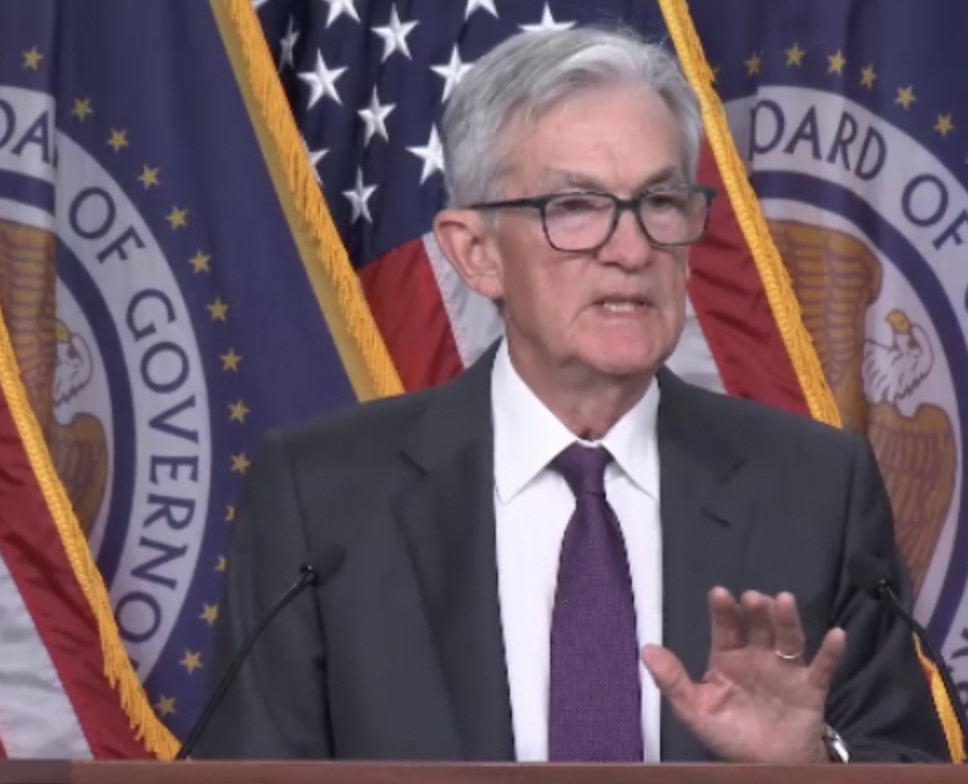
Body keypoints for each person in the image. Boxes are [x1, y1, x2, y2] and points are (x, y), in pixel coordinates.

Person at [192, 25, 951, 764]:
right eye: (575, 207)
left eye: (661, 201)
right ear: (476, 254)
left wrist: (813, 764)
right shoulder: (322, 501)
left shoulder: (815, 491)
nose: (632, 249)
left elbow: (904, 757)